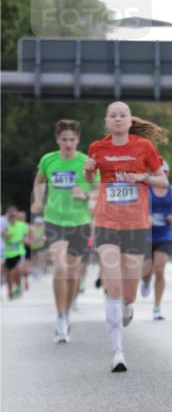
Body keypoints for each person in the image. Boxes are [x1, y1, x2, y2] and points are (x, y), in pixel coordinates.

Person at [85, 102, 168, 372]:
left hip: (136, 225)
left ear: (130, 121)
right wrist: (88, 170)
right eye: (113, 115)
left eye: (123, 115)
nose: (118, 119)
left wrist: (142, 177)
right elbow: (90, 181)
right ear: (107, 122)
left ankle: (127, 306)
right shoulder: (97, 148)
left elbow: (163, 182)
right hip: (106, 223)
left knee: (129, 295)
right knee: (114, 287)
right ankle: (117, 352)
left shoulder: (144, 147)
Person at [32, 119, 95, 342]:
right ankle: (60, 317)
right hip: (54, 220)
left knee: (73, 272)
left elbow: (97, 192)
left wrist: (84, 195)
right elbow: (39, 181)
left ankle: (67, 313)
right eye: (64, 139)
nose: (68, 143)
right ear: (57, 140)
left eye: (72, 139)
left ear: (78, 140)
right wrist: (37, 201)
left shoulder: (86, 162)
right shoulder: (48, 160)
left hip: (79, 221)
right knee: (60, 267)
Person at [140, 161, 172, 319]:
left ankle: (157, 308)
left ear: (168, 173)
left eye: (164, 171)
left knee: (159, 270)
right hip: (146, 236)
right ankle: (145, 282)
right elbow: (136, 210)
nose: (161, 174)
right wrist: (146, 218)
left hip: (164, 235)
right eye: (158, 171)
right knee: (146, 271)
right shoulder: (145, 190)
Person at [3, 206, 29, 300]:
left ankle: (18, 288)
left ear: (17, 216)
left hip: (20, 252)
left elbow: (28, 236)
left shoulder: (22, 225)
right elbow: (4, 235)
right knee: (9, 273)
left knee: (17, 270)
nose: (12, 217)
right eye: (10, 216)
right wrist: (5, 234)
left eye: (14, 215)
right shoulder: (5, 226)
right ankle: (10, 290)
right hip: (9, 253)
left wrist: (26, 240)